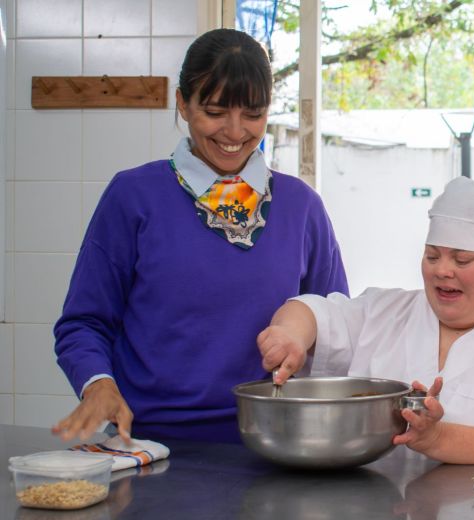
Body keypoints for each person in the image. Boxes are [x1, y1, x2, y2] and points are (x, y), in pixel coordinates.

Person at [52, 29, 349, 444]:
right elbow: (84, 322)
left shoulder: (302, 207)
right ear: (182, 103)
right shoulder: (133, 197)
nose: (235, 132)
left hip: (277, 443)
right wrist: (97, 383)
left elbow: (338, 323)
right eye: (215, 111)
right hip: (150, 443)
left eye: (253, 114)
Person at [257, 176, 474, 467]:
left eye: (462, 260)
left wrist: (437, 438)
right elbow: (313, 312)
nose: (442, 270)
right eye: (432, 255)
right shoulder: (384, 311)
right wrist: (289, 334)